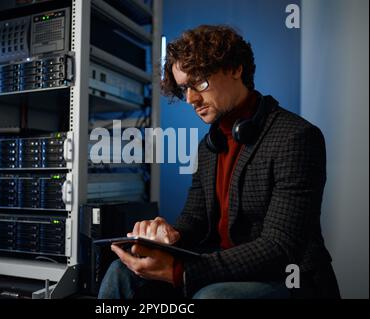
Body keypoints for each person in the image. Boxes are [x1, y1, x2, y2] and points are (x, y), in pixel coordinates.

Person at [97, 25, 340, 299]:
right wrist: (168, 235)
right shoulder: (210, 145)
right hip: (221, 267)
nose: (191, 99)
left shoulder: (296, 137)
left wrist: (183, 272)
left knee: (213, 297)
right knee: (120, 272)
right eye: (184, 88)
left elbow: (281, 246)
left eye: (199, 82)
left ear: (235, 69)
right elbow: (195, 219)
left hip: (289, 276)